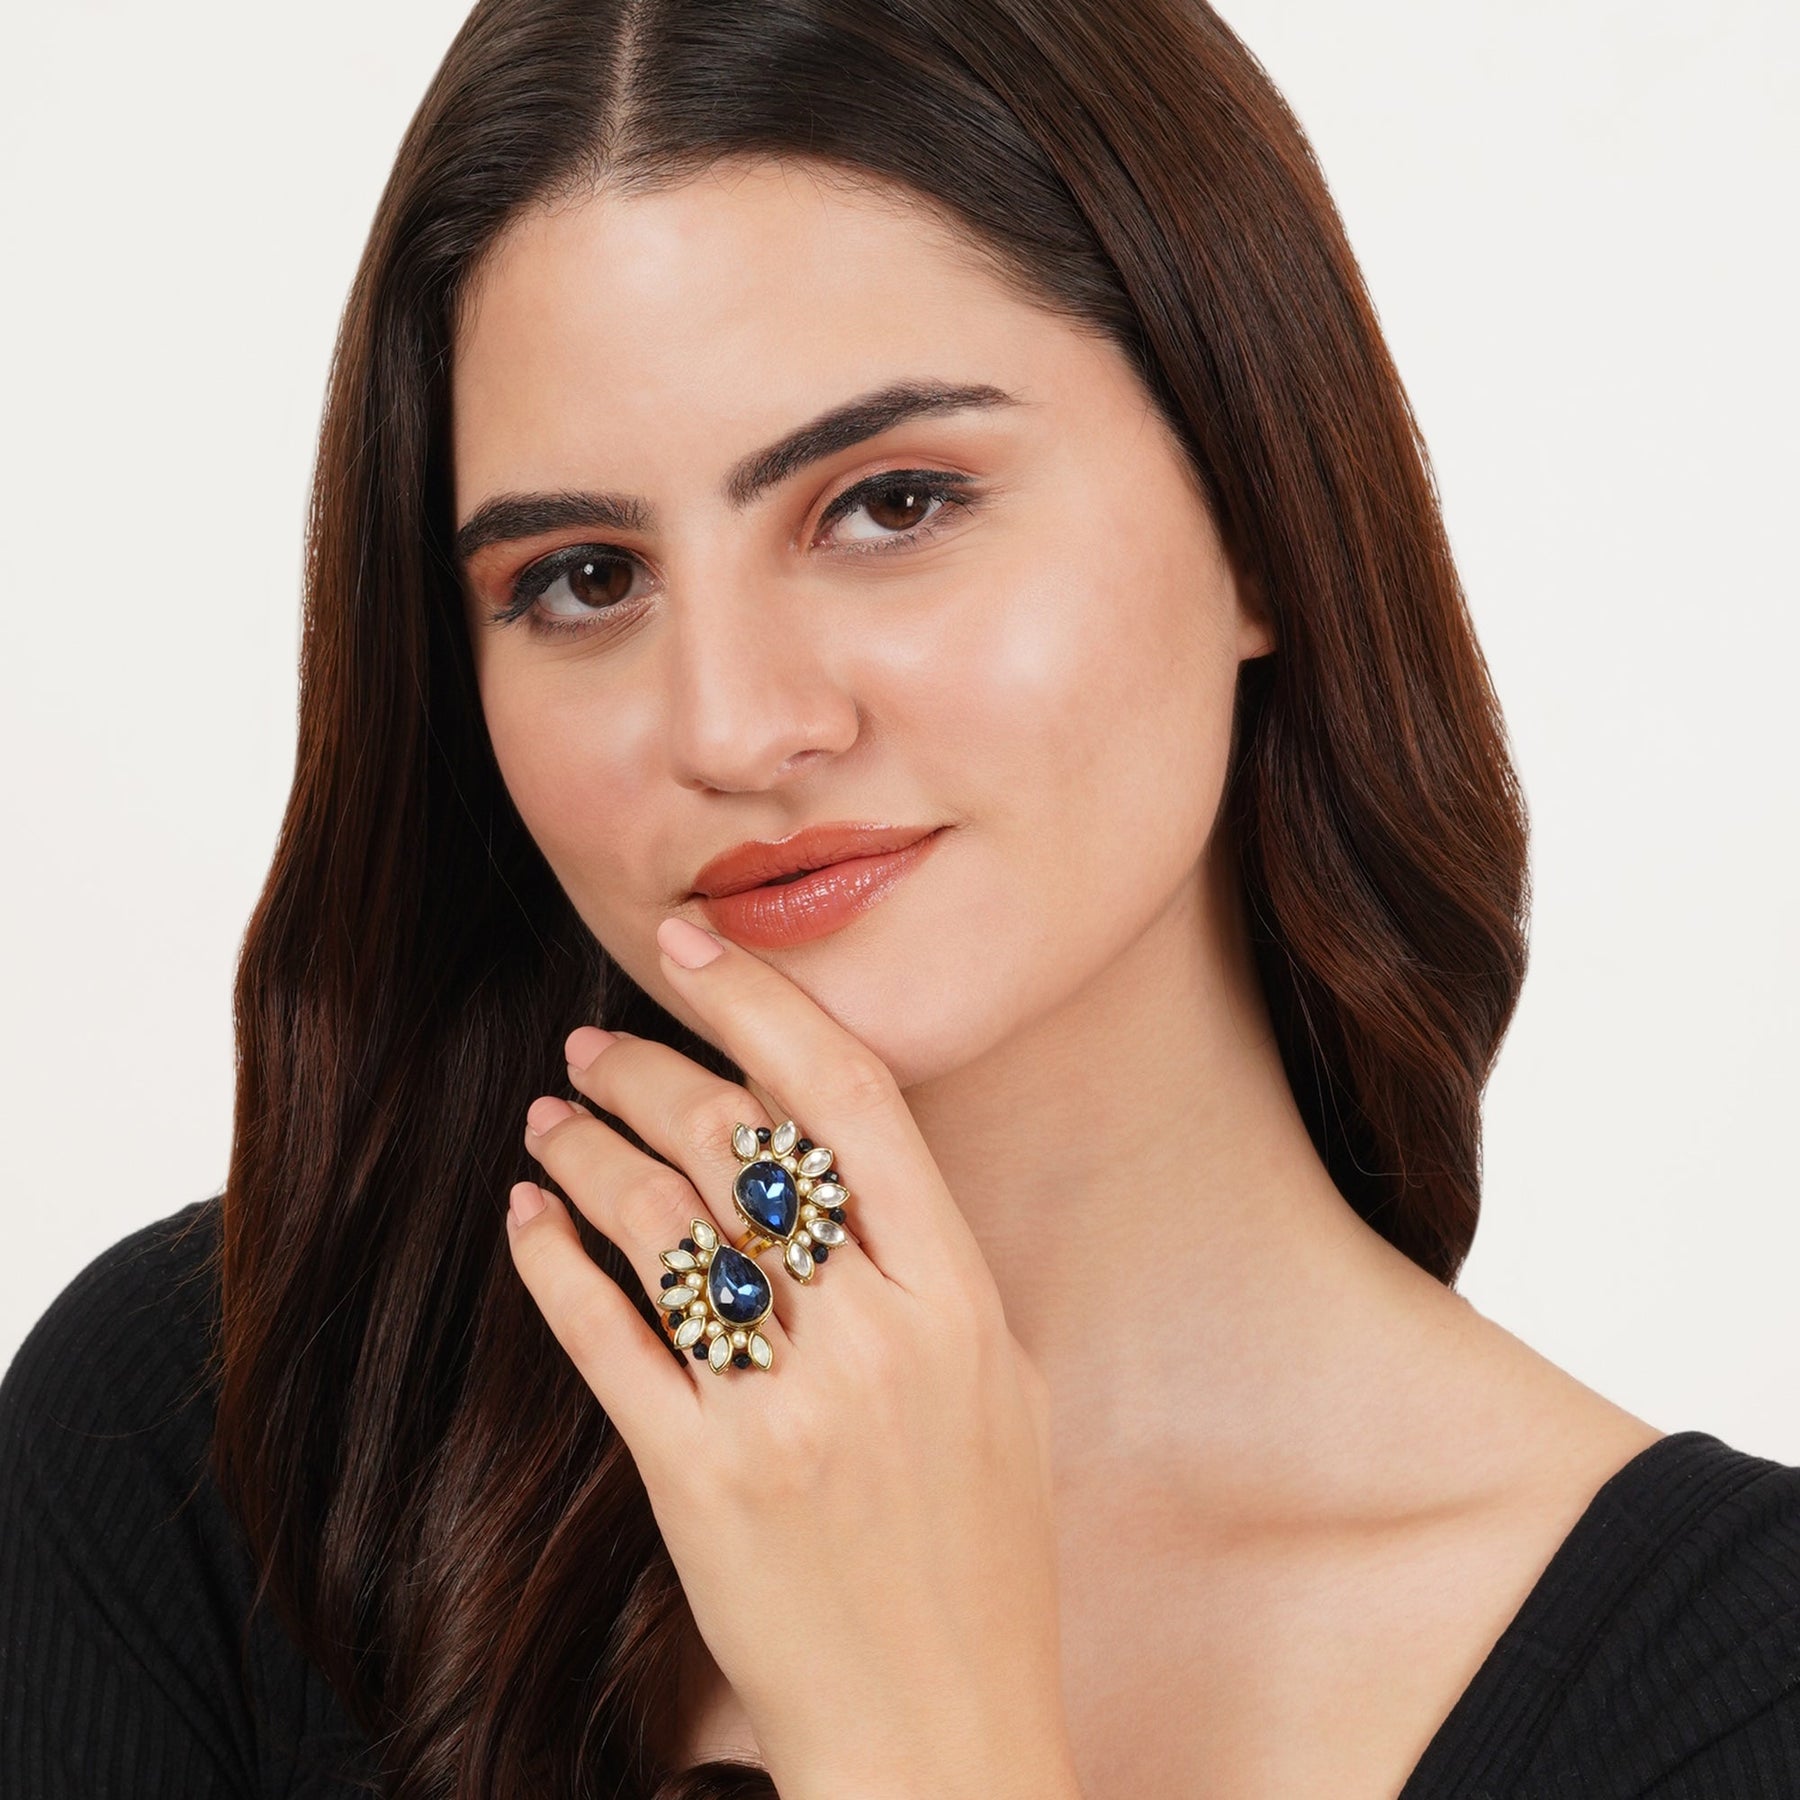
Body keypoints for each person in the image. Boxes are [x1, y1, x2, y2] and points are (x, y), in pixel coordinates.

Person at [3, 0, 1796, 1795]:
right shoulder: (208, 1450)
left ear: (1261, 507)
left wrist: (920, 1743)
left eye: (894, 502)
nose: (733, 725)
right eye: (585, 577)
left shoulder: (1742, 1701)